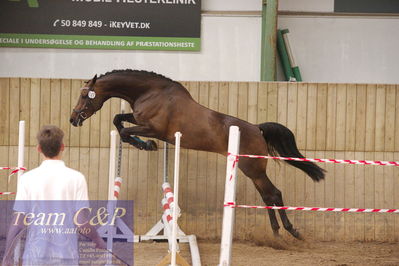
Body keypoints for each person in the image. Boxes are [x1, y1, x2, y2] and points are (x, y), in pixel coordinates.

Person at [2, 125, 106, 266]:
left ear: (39, 148)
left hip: (34, 257)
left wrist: (7, 256)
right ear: (62, 147)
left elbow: (18, 222)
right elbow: (81, 222)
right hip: (66, 257)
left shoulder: (27, 179)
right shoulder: (77, 178)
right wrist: (97, 239)